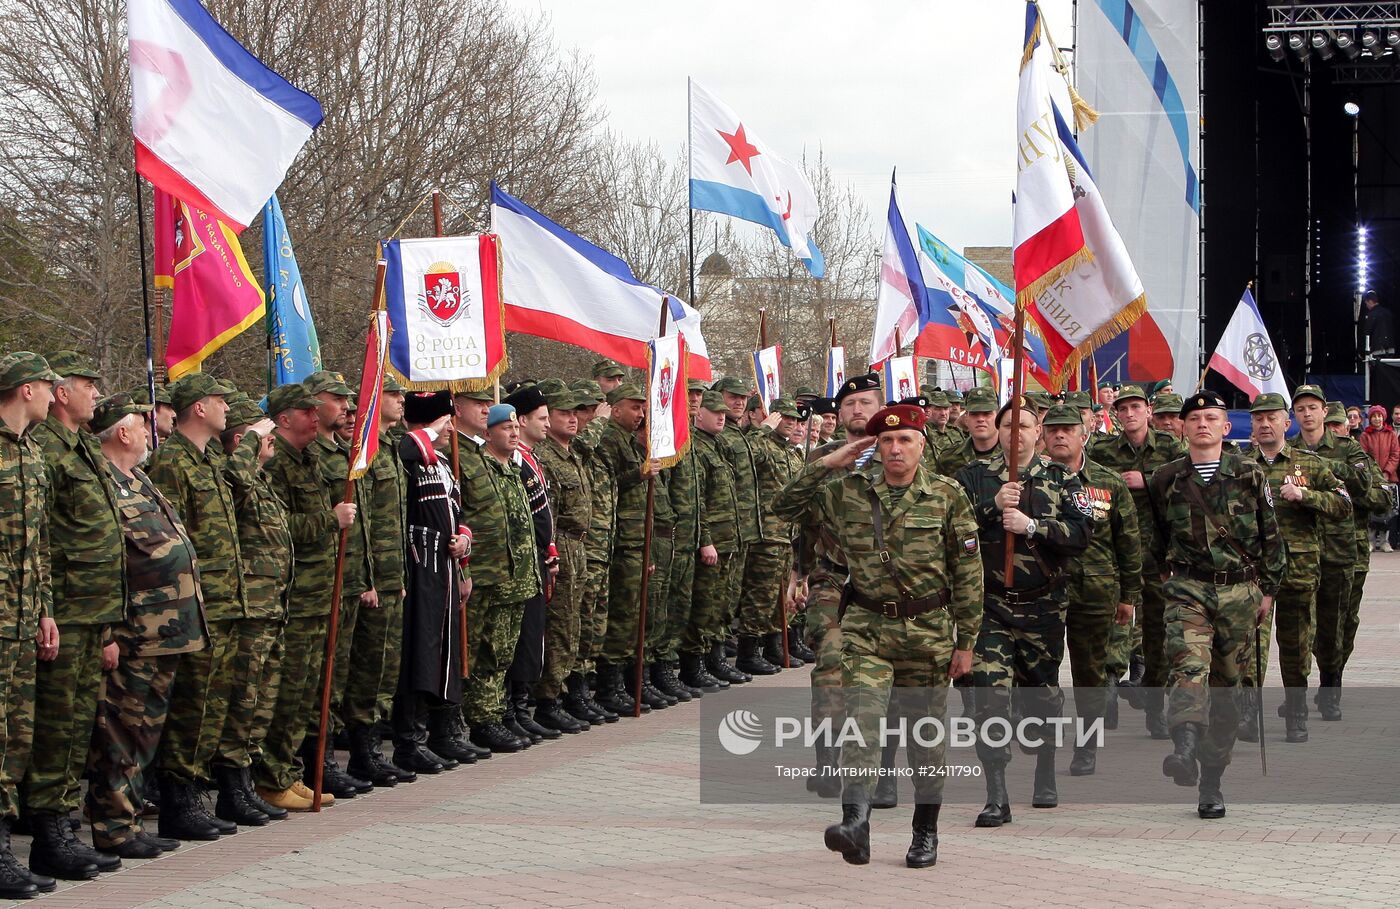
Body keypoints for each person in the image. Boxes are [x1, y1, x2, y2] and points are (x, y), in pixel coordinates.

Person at [772, 403, 983, 869]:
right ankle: (855, 825)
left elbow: (969, 574)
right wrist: (829, 462)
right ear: (875, 447)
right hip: (867, 628)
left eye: (904, 439)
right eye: (885, 441)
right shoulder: (847, 491)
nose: (894, 448)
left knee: (926, 741)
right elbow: (782, 506)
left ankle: (925, 832)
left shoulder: (947, 496)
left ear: (921, 445)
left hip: (927, 634)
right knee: (862, 723)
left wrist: (966, 643)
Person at [1150, 391, 1285, 819]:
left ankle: (1212, 778)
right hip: (1188, 588)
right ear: (1183, 428)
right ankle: (1184, 748)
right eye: (1195, 419)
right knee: (1188, 667)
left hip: (1239, 593)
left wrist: (1267, 592)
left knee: (1227, 691)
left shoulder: (1249, 474)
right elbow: (1152, 537)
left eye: (1212, 418)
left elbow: (1271, 538)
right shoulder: (1166, 478)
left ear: (1227, 428)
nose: (1203, 424)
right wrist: (1161, 579)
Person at [957, 398, 1092, 824]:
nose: (1016, 434)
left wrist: (1034, 527)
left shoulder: (1064, 479)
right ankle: (996, 793)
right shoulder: (972, 478)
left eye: (1025, 426)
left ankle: (1045, 766)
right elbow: (952, 532)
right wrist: (991, 508)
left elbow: (1082, 534)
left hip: (1043, 606)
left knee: (1041, 695)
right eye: (1008, 426)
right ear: (997, 433)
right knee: (989, 698)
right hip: (990, 606)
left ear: (1039, 433)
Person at [86, 394, 206, 859]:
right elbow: (108, 563)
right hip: (135, 631)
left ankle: (131, 821)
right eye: (141, 424)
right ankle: (113, 827)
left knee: (146, 732)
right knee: (120, 731)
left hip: (167, 631)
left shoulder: (137, 479)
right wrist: (110, 631)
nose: (148, 432)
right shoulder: (104, 483)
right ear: (121, 432)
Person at [24, 350, 125, 880]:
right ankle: (47, 831)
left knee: (79, 724)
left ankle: (60, 826)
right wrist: (48, 611)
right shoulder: (43, 448)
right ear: (60, 393)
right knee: (55, 727)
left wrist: (108, 625)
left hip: (94, 612)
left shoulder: (83, 447)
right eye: (87, 385)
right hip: (62, 611)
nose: (95, 393)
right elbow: (40, 536)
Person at [254, 383, 356, 811]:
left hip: (320, 592)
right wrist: (329, 520)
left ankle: (289, 772)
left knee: (309, 690)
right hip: (295, 594)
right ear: (283, 419)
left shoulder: (310, 458)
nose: (316, 418)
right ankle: (272, 776)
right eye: (306, 411)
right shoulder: (275, 464)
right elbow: (280, 528)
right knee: (288, 689)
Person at [790, 372, 882, 797]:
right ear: (839, 412)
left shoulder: (900, 452)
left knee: (883, 674)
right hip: (831, 578)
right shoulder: (822, 458)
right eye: (849, 404)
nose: (857, 410)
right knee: (829, 665)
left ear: (880, 408)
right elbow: (803, 519)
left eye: (865, 402)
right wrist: (798, 573)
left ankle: (875, 760)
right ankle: (827, 760)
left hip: (886, 585)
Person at [1241, 393, 1349, 744]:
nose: (1265, 424)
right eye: (1258, 419)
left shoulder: (1310, 465)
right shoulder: (1240, 466)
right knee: (1251, 645)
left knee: (1296, 645)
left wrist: (1307, 497)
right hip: (1254, 572)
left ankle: (1296, 711)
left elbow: (1344, 504)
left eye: (1272, 417)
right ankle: (1248, 713)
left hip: (1298, 569)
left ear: (1287, 423)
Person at [1043, 403, 1140, 774]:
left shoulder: (1107, 482)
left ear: (1084, 435)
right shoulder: (1031, 480)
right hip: (1045, 592)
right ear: (1043, 436)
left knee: (1090, 675)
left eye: (1068, 429)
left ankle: (1087, 746)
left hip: (1096, 593)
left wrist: (1129, 596)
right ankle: (1044, 743)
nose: (1060, 435)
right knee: (1042, 673)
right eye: (1053, 430)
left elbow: (1128, 542)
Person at [212, 397, 295, 823]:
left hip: (271, 606)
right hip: (249, 609)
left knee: (260, 703)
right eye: (266, 437)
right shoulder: (236, 475)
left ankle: (244, 781)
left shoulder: (260, 480)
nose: (273, 442)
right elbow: (234, 472)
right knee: (242, 701)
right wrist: (249, 442)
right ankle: (231, 787)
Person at [1089, 384, 1186, 740]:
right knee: (1116, 624)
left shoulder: (1170, 446)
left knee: (1159, 632)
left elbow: (1185, 486)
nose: (1129, 414)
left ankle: (1154, 704)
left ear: (1148, 410)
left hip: (1159, 553)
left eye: (1135, 407)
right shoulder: (1102, 449)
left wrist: (1148, 480)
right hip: (1116, 552)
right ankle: (1110, 689)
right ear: (1116, 414)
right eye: (1123, 409)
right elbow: (1090, 488)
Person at [1288, 385, 1389, 720]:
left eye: (1314, 408)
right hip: (1300, 555)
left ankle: (1331, 684)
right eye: (1301, 408)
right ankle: (1299, 695)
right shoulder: (1287, 452)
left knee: (1338, 626)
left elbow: (1382, 498)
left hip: (1344, 552)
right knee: (1304, 628)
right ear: (1295, 415)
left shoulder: (1351, 452)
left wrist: (1336, 479)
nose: (1308, 414)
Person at [0, 353, 60, 899]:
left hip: (22, 620)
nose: (53, 395)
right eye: (48, 386)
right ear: (25, 389)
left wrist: (44, 609)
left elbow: (37, 543)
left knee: (16, 736)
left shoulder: (33, 454)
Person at [391, 391, 470, 775]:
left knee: (441, 652)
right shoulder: (407, 453)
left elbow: (458, 508)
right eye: (445, 420)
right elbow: (402, 453)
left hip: (445, 566)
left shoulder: (440, 461)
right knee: (419, 653)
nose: (451, 427)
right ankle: (409, 741)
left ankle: (437, 732)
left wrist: (464, 541)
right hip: (420, 565)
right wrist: (427, 432)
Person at [462, 405, 543, 750]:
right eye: (504, 428)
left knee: (506, 652)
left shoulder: (514, 470)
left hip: (520, 576)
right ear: (489, 432)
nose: (513, 433)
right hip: (491, 576)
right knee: (487, 652)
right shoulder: (479, 466)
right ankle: (483, 719)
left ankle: (498, 714)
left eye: (514, 427)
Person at [594, 384, 666, 713]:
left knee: (635, 614)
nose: (639, 414)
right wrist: (639, 472)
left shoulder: (627, 440)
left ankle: (624, 683)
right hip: (622, 540)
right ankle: (609, 687)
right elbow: (607, 483)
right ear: (615, 408)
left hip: (638, 538)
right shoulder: (609, 438)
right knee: (622, 616)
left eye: (642, 408)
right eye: (634, 408)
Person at [530, 382, 595, 731]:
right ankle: (547, 697)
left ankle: (568, 690)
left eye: (574, 413)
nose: (572, 419)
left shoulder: (572, 454)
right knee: (559, 625)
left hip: (580, 546)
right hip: (562, 547)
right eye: (562, 413)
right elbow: (548, 517)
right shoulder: (547, 458)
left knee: (574, 623)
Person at [502, 385, 560, 744]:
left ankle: (520, 709)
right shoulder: (516, 460)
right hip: (521, 562)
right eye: (541, 418)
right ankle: (511, 711)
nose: (548, 423)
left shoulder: (531, 458)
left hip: (538, 560)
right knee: (518, 640)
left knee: (531, 638)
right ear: (521, 420)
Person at [684, 390, 747, 690]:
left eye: (724, 411)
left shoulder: (719, 446)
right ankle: (696, 664)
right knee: (705, 606)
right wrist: (705, 539)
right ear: (699, 415)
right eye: (715, 411)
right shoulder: (698, 448)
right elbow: (700, 501)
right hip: (713, 542)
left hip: (730, 539)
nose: (722, 415)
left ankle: (716, 657)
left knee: (723, 604)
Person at [742, 398, 806, 670]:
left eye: (795, 419)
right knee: (761, 594)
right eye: (785, 418)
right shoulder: (763, 443)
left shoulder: (792, 452)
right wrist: (762, 430)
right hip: (766, 532)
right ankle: (749, 650)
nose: (791, 423)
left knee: (781, 595)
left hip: (788, 534)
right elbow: (746, 459)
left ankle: (773, 644)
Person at [710, 377, 766, 673]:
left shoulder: (736, 433)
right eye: (733, 397)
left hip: (741, 529)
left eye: (743, 398)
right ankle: (713, 658)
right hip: (723, 531)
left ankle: (720, 657)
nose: (739, 402)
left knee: (729, 597)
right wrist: (764, 432)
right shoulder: (722, 436)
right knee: (717, 600)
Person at [1363, 289, 1396, 357]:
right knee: (1389, 366)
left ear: (1370, 301)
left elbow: (1367, 332)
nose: (1366, 306)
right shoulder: (1388, 312)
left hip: (1377, 349)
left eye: (1366, 303)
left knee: (1379, 367)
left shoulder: (1371, 314)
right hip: (1391, 348)